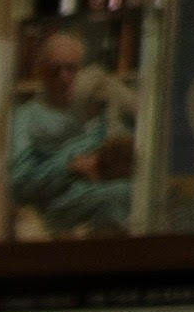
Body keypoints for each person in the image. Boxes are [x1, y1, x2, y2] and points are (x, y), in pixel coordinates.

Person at [9, 26, 136, 237]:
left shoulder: (101, 105)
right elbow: (20, 184)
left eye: (71, 69)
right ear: (40, 71)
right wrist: (69, 165)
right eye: (54, 70)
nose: (63, 77)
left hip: (111, 202)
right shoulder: (25, 118)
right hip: (60, 212)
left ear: (82, 68)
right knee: (119, 196)